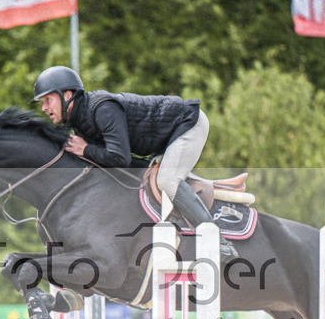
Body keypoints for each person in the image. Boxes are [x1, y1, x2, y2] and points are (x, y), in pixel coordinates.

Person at [30, 65, 238, 261]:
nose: (44, 108)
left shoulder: (102, 108)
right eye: (42, 102)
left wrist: (86, 150)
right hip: (162, 140)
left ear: (67, 95)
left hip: (187, 123)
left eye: (48, 99)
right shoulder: (79, 123)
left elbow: (120, 158)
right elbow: (117, 167)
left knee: (167, 181)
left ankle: (218, 242)